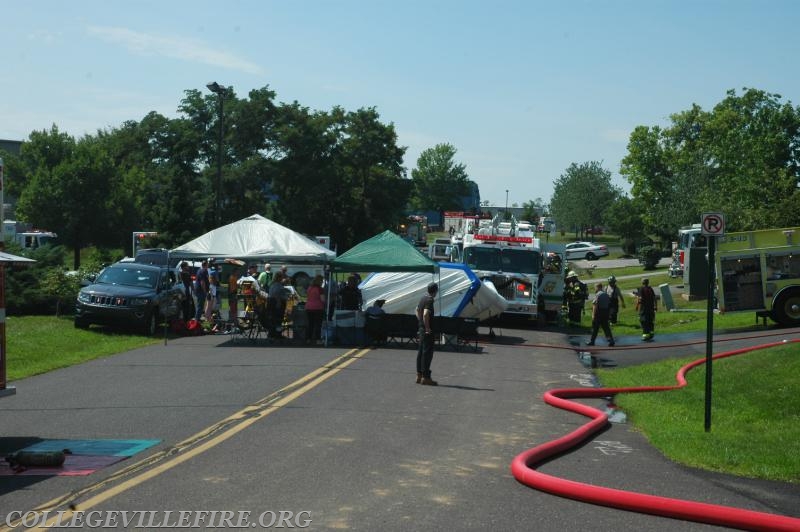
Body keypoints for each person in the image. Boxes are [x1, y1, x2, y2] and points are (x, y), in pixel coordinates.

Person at [415, 282, 438, 385]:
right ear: (435, 291)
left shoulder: (423, 298)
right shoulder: (430, 299)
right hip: (426, 330)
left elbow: (417, 310)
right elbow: (425, 314)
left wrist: (420, 322)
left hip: (421, 328)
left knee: (420, 352)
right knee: (427, 353)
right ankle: (426, 377)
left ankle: (419, 375)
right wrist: (427, 327)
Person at [587, 283, 614, 347]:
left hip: (598, 313)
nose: (595, 289)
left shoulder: (598, 294)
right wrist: (609, 314)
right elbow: (609, 305)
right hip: (605, 313)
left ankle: (592, 341)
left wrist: (593, 315)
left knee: (595, 328)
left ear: (598, 287)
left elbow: (595, 305)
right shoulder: (606, 295)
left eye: (595, 287)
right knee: (606, 327)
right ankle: (611, 340)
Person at [304, 275, 325, 344]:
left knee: (310, 324)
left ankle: (308, 339)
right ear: (320, 281)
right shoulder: (320, 289)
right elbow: (323, 299)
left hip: (309, 307)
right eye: (322, 281)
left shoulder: (309, 288)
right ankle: (318, 339)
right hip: (318, 308)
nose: (322, 282)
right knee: (318, 324)